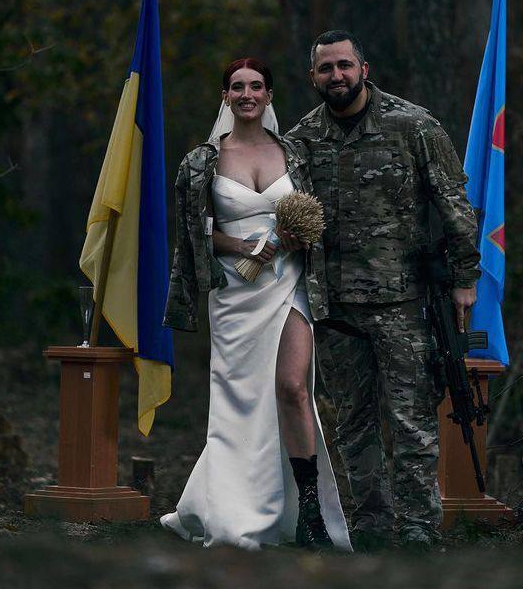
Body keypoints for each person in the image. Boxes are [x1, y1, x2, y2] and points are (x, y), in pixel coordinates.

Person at [283, 30, 482, 548]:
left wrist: (465, 278)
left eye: (345, 65)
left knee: (411, 421)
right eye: (326, 69)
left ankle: (417, 530)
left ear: (363, 69)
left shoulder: (412, 125)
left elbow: (454, 204)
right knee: (353, 425)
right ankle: (371, 526)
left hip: (403, 303)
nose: (337, 76)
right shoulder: (302, 139)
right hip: (335, 309)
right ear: (313, 77)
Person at [161, 58, 352, 551]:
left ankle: (310, 514)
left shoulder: (295, 154)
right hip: (235, 293)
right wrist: (240, 246)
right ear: (225, 96)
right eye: (237, 87)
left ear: (269, 95)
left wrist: (296, 238)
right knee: (240, 402)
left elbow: (318, 215)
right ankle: (232, 509)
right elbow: (193, 233)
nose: (247, 94)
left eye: (256, 86)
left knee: (293, 388)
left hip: (289, 284)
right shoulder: (201, 162)